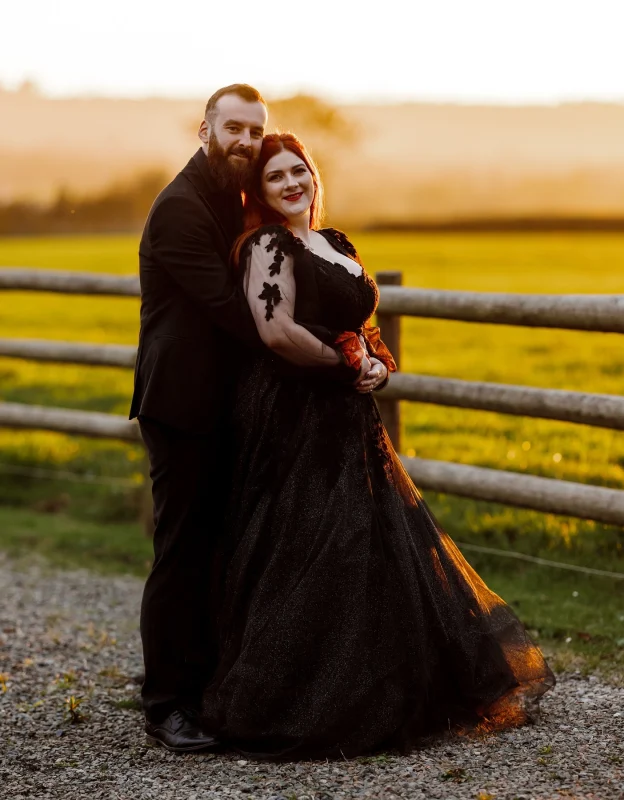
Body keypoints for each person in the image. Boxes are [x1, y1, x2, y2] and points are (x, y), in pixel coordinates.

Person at [201, 132, 555, 759]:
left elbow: (361, 329)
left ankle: (378, 691)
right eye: (275, 176)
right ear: (258, 191)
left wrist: (377, 365)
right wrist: (344, 367)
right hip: (293, 414)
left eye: (298, 171)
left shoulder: (335, 244)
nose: (291, 184)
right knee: (308, 540)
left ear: (313, 176)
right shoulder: (266, 245)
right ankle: (295, 702)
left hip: (348, 415)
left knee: (365, 540)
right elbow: (276, 331)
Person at [130, 86, 382, 753]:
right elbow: (236, 312)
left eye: (255, 131)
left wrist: (357, 343)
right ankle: (164, 705)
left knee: (226, 542)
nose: (246, 141)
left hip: (230, 402)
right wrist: (334, 349)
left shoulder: (230, 194)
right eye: (233, 129)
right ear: (204, 127)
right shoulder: (182, 208)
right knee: (182, 550)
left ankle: (210, 679)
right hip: (182, 401)